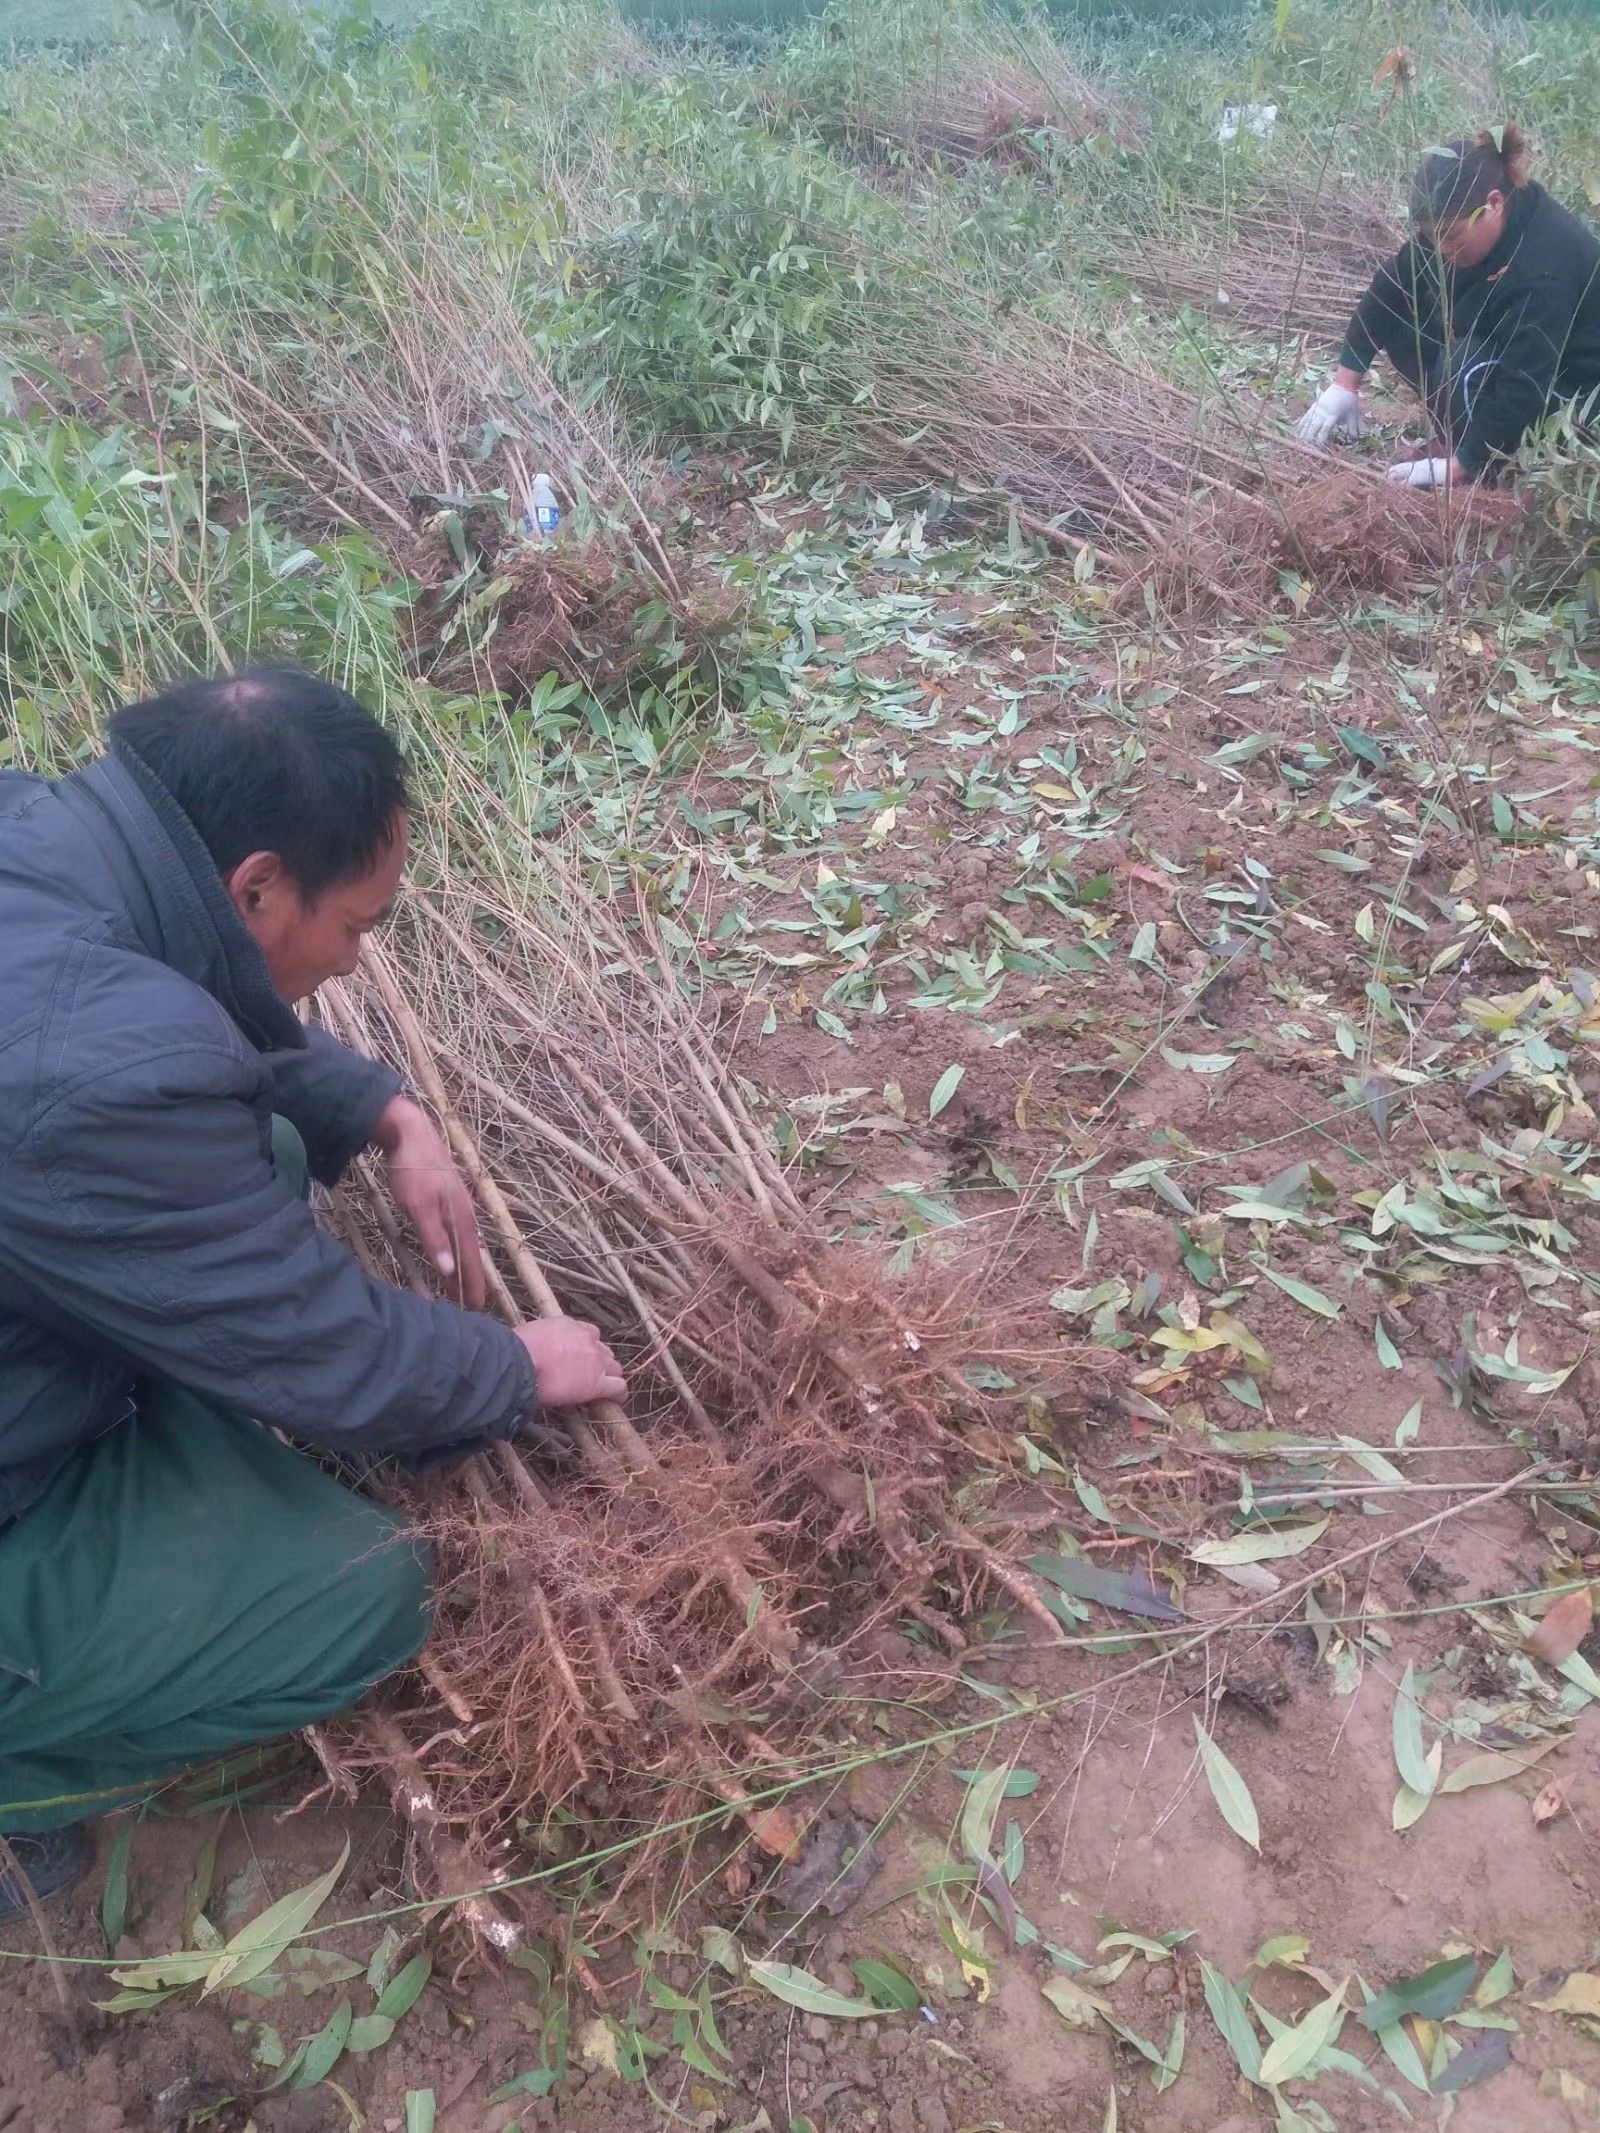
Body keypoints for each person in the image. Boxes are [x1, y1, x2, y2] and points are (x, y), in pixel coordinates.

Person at [0, 668, 626, 1924]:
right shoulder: (97, 1073)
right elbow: (334, 1361)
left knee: (273, 1149)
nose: (349, 963)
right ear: (257, 887)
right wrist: (515, 1366)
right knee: (358, 1598)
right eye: (358, 927)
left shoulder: (44, 839)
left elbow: (165, 1004)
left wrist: (380, 1108)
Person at [1295, 123, 1600, 488]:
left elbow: (1525, 381)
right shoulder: (1449, 229)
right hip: (1504, 355)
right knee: (1403, 323)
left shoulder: (1546, 263)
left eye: (1451, 236)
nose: (1441, 249)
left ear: (1493, 204)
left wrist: (1460, 466)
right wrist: (1345, 384)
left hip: (1573, 397)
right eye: (1431, 236)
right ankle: (1464, 438)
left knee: (1463, 368)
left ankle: (1494, 466)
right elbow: (1390, 288)